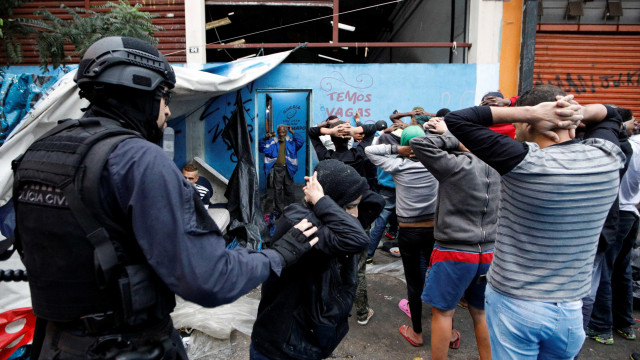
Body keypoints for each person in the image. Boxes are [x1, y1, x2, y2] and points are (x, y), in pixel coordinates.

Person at [11, 36, 318, 360]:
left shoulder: (41, 151)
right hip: (128, 347)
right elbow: (210, 277)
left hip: (52, 345)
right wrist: (279, 255)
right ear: (140, 92)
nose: (168, 110)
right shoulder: (138, 160)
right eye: (163, 97)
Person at [444, 84, 625, 359]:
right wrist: (574, 112)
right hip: (570, 307)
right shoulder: (606, 158)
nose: (515, 132)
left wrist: (529, 111)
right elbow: (615, 114)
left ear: (528, 124)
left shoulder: (523, 163)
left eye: (518, 124)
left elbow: (457, 120)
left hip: (515, 304)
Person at [251, 159, 383, 360]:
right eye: (350, 206)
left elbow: (376, 203)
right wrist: (321, 200)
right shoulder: (304, 223)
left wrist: (330, 195)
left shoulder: (331, 220)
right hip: (284, 346)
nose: (355, 215)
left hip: (309, 337)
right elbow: (358, 239)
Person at [410, 117, 498, 360]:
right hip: (490, 253)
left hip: (454, 252)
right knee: (481, 313)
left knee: (443, 313)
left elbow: (419, 143)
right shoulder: (501, 164)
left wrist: (453, 138)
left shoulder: (457, 165)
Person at [365, 125, 438, 347]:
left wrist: (400, 149)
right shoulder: (437, 164)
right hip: (435, 231)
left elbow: (370, 151)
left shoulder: (398, 165)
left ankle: (417, 332)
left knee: (414, 283)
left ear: (405, 143)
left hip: (409, 232)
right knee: (437, 278)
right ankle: (448, 329)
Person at [308, 118, 383, 326]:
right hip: (356, 219)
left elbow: (312, 132)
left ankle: (327, 308)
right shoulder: (359, 155)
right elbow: (372, 130)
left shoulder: (326, 157)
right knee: (357, 269)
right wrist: (352, 129)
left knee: (328, 264)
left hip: (329, 217)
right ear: (349, 139)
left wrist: (331, 131)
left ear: (332, 139)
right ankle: (361, 312)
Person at [585, 107, 639, 344]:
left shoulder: (612, 152)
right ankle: (625, 323)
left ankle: (601, 327)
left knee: (603, 272)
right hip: (630, 214)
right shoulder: (628, 147)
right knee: (623, 270)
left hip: (614, 216)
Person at [259, 124, 304, 217]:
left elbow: (301, 141)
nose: (281, 134)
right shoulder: (272, 142)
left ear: (286, 132)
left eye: (283, 132)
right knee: (277, 190)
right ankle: (278, 210)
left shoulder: (291, 142)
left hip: (288, 168)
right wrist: (265, 138)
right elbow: (261, 148)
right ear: (277, 132)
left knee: (289, 189)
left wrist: (293, 132)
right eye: (279, 132)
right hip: (277, 169)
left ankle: (290, 209)